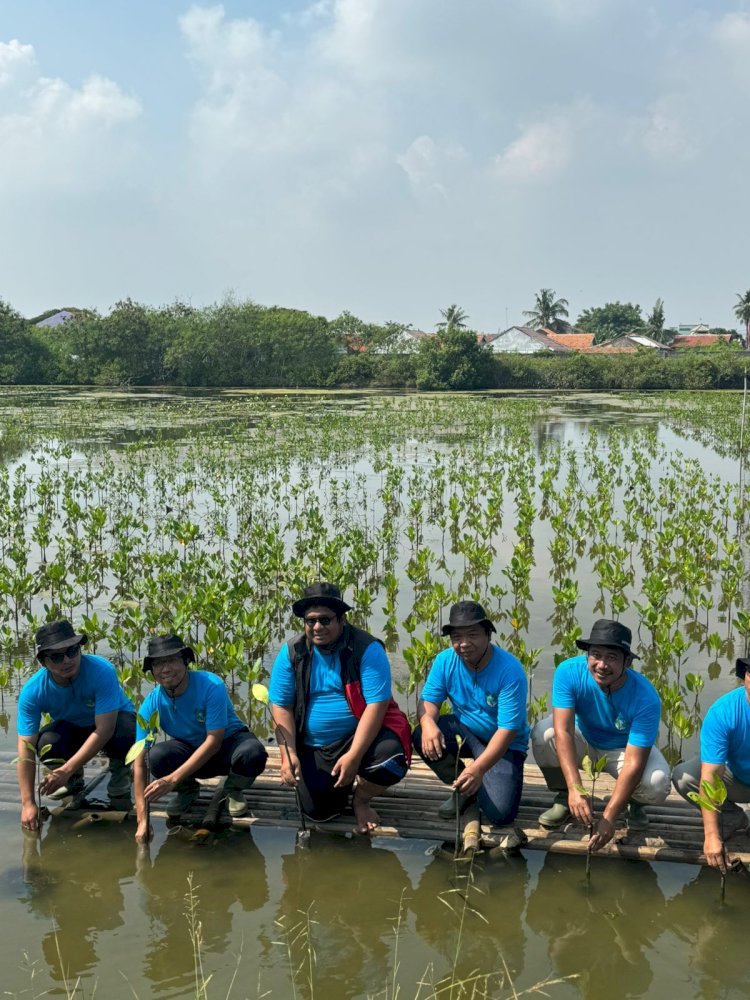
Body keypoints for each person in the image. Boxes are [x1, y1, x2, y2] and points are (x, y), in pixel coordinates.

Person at [269, 582, 411, 834]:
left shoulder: (366, 648)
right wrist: (287, 754)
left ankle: (361, 799)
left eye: (325, 620)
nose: (316, 627)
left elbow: (376, 707)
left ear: (342, 619)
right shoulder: (292, 652)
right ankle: (334, 786)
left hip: (356, 737)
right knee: (320, 814)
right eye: (310, 620)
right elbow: (281, 706)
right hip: (312, 745)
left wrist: (354, 756)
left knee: (391, 760)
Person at [531, 619, 671, 849]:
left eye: (612, 657)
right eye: (595, 654)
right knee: (542, 734)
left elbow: (635, 761)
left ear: (628, 662)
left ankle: (634, 805)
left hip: (623, 750)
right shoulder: (569, 672)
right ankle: (564, 797)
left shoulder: (646, 696)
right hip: (583, 738)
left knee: (657, 783)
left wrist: (609, 816)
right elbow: (563, 730)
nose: (602, 665)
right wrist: (576, 788)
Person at [132, 634, 268, 842]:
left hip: (226, 746)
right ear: (152, 672)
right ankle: (187, 790)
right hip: (189, 750)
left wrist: (171, 779)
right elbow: (139, 763)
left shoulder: (210, 685)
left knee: (252, 753)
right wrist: (142, 820)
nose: (165, 669)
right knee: (155, 756)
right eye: (158, 664)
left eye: (172, 660)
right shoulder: (151, 703)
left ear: (186, 661)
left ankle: (233, 789)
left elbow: (214, 741)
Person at [412, 601, 529, 825]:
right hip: (465, 730)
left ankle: (475, 779)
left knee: (500, 815)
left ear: (488, 635)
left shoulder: (510, 670)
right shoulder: (445, 660)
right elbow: (429, 701)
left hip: (505, 744)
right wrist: (427, 723)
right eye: (456, 637)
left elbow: (508, 730)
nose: (464, 644)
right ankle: (462, 788)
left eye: (473, 635)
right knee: (421, 735)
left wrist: (478, 768)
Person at [16, 620, 136, 832]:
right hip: (73, 727)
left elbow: (104, 730)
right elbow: (25, 748)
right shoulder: (33, 691)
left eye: (72, 651)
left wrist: (65, 769)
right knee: (47, 742)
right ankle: (73, 780)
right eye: (56, 656)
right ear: (43, 662)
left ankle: (119, 774)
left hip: (111, 725)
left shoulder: (101, 670)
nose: (67, 660)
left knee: (127, 729)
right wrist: (28, 803)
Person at [672, 656, 750, 872]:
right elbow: (710, 776)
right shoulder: (724, 711)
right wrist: (712, 836)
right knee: (685, 776)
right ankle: (733, 817)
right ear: (745, 677)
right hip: (737, 778)